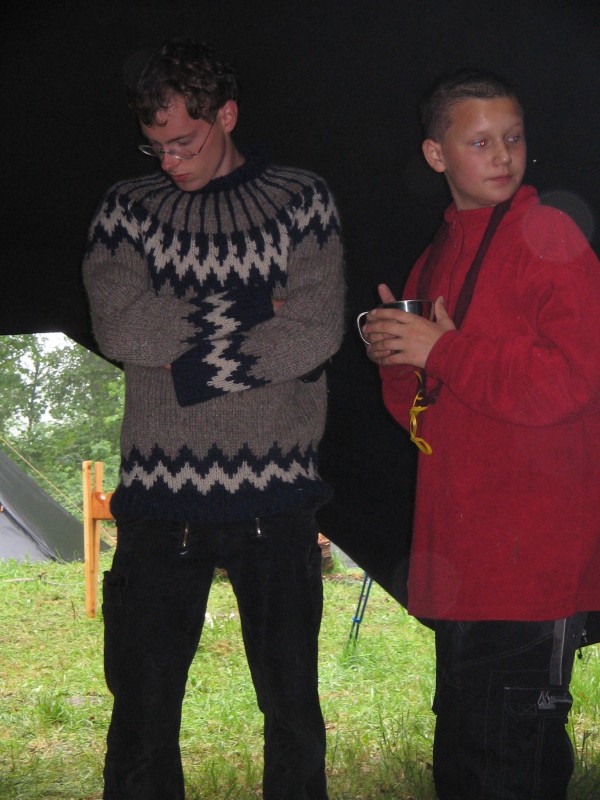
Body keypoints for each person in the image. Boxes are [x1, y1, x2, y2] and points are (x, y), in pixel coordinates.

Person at [83, 37, 345, 800]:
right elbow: (121, 328)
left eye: (184, 142)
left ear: (226, 116)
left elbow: (317, 331)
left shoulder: (303, 201)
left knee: (292, 714)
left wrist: (189, 369)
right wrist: (261, 305)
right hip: (159, 500)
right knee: (141, 716)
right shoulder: (127, 210)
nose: (168, 161)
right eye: (155, 145)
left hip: (278, 497)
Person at [361, 68, 600, 800]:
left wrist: (443, 350)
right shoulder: (438, 253)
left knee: (510, 767)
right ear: (436, 155)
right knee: (467, 764)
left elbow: (573, 381)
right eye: (481, 142)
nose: (503, 155)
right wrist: (398, 360)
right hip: (465, 554)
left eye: (514, 138)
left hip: (529, 558)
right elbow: (425, 417)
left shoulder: (548, 233)